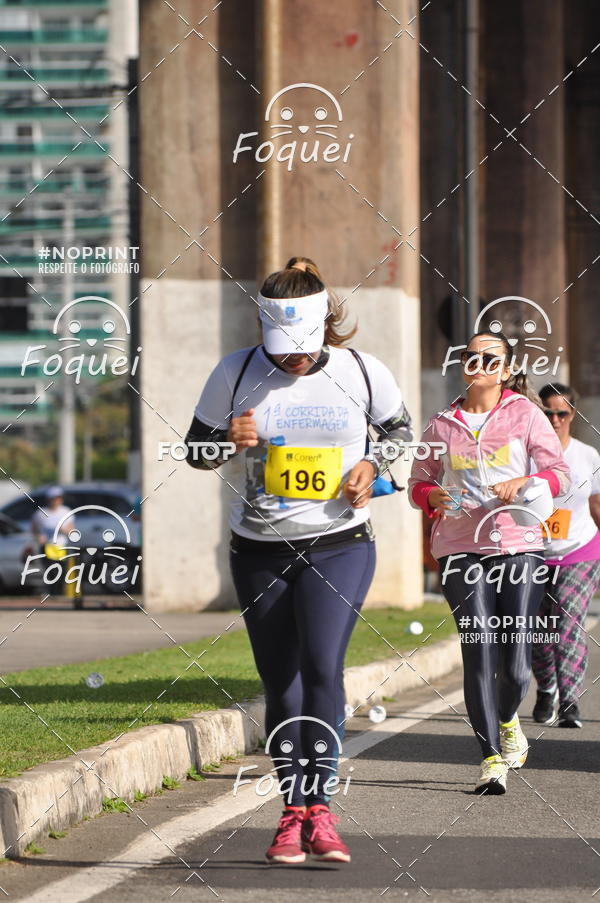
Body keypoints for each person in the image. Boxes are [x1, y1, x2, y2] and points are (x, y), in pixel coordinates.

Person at [185, 263, 412, 863]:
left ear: (325, 329)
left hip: (340, 542)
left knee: (321, 667)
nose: (295, 362)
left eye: (305, 352)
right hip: (258, 549)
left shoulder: (363, 371)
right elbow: (193, 451)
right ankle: (293, 812)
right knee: (280, 684)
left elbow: (399, 432)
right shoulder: (234, 371)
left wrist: (372, 468)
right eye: (283, 352)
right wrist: (225, 443)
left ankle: (322, 810)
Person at [408, 332, 570, 794]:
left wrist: (526, 480)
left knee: (517, 665)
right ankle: (490, 758)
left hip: (518, 542)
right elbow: (417, 482)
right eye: (470, 356)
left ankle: (507, 719)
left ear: (504, 369)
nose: (478, 363)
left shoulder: (525, 414)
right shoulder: (441, 424)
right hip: (460, 546)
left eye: (489, 358)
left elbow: (559, 474)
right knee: (478, 647)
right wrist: (433, 495)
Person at [531, 383, 600, 728]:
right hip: (533, 555)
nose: (555, 419)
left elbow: (597, 505)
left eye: (562, 412)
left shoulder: (588, 456)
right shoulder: (526, 454)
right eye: (548, 412)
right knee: (538, 631)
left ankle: (569, 701)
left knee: (568, 624)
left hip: (581, 550)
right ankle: (546, 689)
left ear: (573, 414)